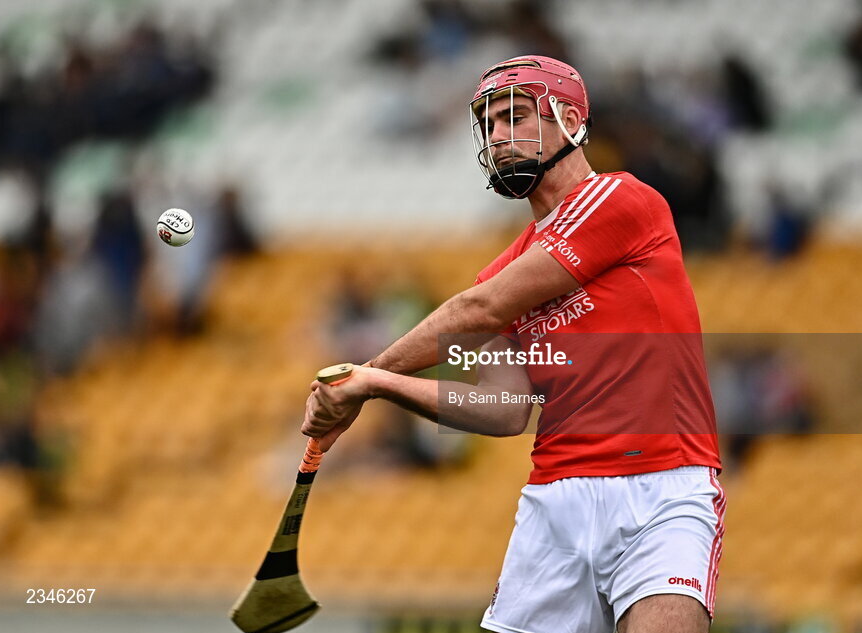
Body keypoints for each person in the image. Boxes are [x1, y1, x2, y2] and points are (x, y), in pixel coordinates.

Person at [302, 56, 723, 633]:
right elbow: (505, 411)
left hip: (660, 490)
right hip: (555, 502)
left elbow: (482, 310)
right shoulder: (500, 271)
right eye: (490, 125)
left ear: (571, 119)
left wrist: (365, 369)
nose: (499, 137)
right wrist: (377, 386)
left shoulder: (622, 200)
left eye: (515, 117)